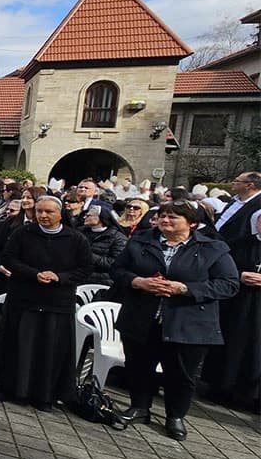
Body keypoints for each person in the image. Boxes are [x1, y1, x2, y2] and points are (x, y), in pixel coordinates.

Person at [110, 200, 240, 439]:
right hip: (142, 317)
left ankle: (175, 416)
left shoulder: (214, 248)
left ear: (192, 223)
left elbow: (228, 284)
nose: (165, 221)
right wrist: (138, 282)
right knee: (139, 366)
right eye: (162, 216)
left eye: (173, 217)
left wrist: (185, 289)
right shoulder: (141, 241)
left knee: (181, 374)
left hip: (189, 323)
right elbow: (117, 270)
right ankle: (139, 406)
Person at [0, 196, 93, 411]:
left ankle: (44, 395)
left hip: (56, 303)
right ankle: (13, 389)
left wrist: (59, 277)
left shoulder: (76, 239)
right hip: (24, 298)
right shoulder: (23, 233)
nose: (43, 216)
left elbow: (84, 269)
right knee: (19, 345)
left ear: (60, 214)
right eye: (39, 211)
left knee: (49, 351)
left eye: (49, 212)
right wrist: (33, 274)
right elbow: (9, 258)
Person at [204, 172, 261, 409]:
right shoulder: (244, 243)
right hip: (240, 300)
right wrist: (239, 274)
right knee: (233, 340)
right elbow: (228, 263)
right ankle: (223, 386)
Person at [81, 205, 127, 287]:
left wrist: (87, 255)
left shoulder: (118, 238)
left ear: (100, 218)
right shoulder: (81, 232)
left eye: (89, 215)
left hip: (102, 281)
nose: (85, 217)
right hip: (80, 277)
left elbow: (114, 264)